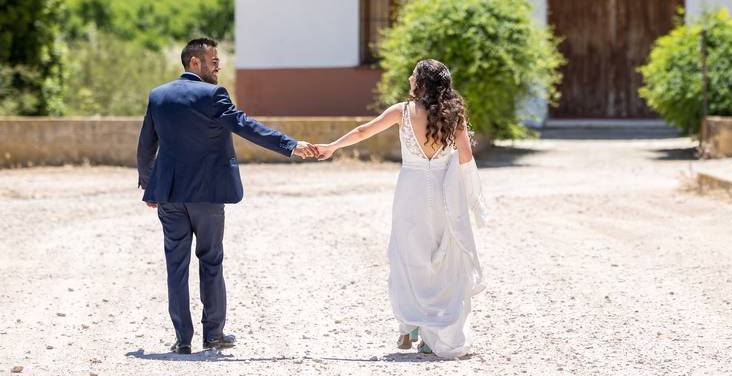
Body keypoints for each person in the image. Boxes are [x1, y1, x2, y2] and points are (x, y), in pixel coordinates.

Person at [137, 37, 322, 355]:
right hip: (208, 196)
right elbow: (244, 125)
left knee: (176, 265)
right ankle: (212, 335)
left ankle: (182, 340)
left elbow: (145, 146)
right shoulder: (214, 95)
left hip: (168, 197)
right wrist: (290, 145)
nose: (218, 66)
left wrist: (149, 186)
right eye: (213, 61)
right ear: (194, 62)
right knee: (210, 261)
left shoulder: (159, 96)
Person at [315, 59, 488, 359]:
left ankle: (411, 325)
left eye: (414, 74)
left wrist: (331, 147)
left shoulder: (403, 112)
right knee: (442, 259)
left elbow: (362, 131)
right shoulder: (454, 114)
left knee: (408, 256)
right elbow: (466, 155)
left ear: (421, 82)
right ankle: (435, 334)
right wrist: (466, 194)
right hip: (445, 192)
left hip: (411, 193)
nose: (409, 77)